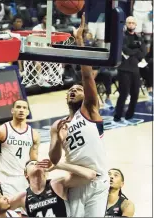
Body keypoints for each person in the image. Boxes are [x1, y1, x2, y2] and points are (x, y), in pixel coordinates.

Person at [48, 13, 109, 217]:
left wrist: (80, 41)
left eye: (78, 89)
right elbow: (54, 158)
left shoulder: (90, 110)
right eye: (70, 90)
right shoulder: (58, 124)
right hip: (75, 181)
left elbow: (86, 76)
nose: (73, 90)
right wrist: (58, 140)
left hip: (97, 180)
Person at [9, 159, 97, 217]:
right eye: (32, 164)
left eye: (39, 162)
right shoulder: (22, 197)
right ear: (26, 174)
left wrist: (58, 165)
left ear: (45, 172)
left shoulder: (57, 184)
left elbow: (91, 175)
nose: (36, 164)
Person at [114, 16, 147, 125]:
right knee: (123, 94)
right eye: (129, 23)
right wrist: (136, 50)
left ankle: (129, 115)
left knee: (135, 94)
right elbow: (125, 50)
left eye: (133, 23)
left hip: (135, 70)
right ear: (126, 24)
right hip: (124, 69)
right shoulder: (122, 37)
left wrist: (133, 51)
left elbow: (143, 53)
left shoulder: (139, 37)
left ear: (136, 24)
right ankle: (117, 117)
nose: (131, 24)